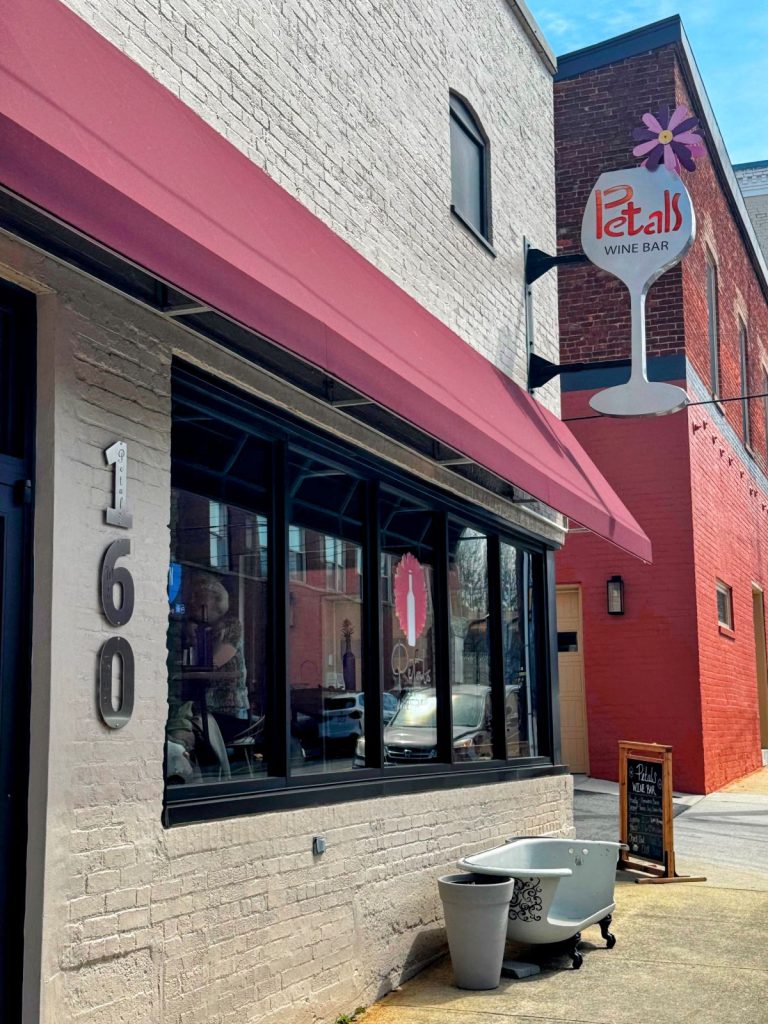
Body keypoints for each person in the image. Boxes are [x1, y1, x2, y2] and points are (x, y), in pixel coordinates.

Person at [185, 572, 249, 743]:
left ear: (214, 602)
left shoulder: (231, 626)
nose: (192, 601)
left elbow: (213, 662)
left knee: (187, 733)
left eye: (198, 597)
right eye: (193, 596)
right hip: (202, 708)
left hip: (227, 712)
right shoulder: (198, 627)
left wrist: (195, 640)